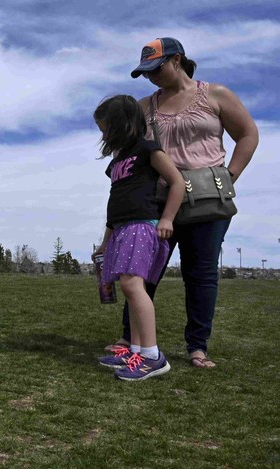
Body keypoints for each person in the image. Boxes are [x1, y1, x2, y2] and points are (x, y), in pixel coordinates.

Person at [108, 37, 260, 368]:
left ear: (177, 60)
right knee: (142, 271)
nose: (151, 77)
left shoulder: (216, 95)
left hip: (208, 201)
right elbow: (125, 148)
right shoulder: (143, 107)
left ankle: (197, 346)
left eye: (156, 68)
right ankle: (130, 338)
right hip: (156, 201)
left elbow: (248, 134)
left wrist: (229, 177)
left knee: (201, 274)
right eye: (145, 72)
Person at [92, 94, 185, 380]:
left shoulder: (148, 149)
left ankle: (152, 356)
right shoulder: (117, 161)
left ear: (125, 123)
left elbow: (177, 182)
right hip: (120, 229)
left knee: (133, 286)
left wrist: (167, 218)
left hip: (141, 226)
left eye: (107, 129)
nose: (104, 136)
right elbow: (115, 204)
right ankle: (135, 350)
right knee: (130, 288)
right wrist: (105, 242)